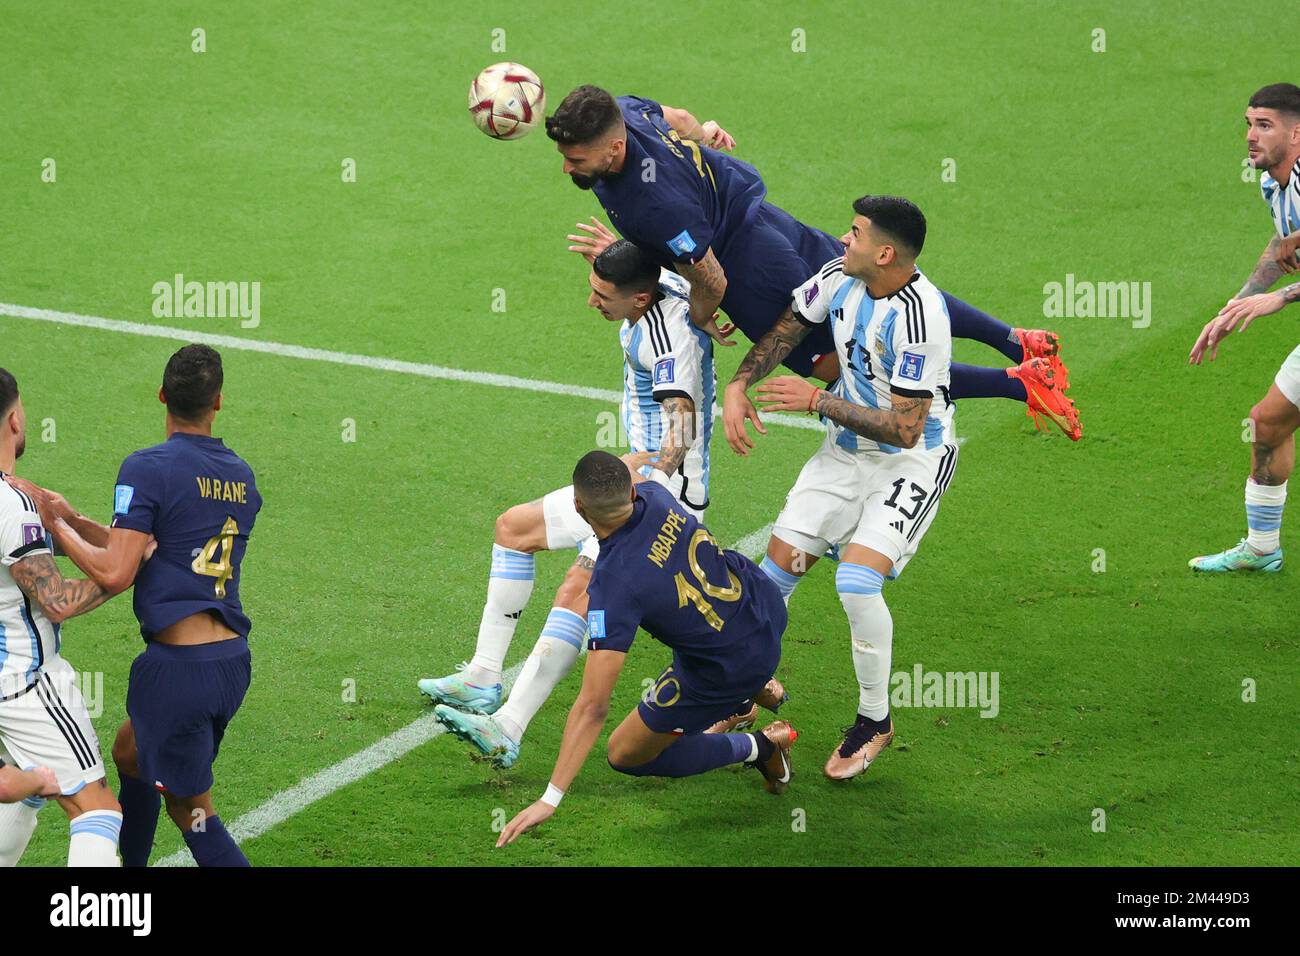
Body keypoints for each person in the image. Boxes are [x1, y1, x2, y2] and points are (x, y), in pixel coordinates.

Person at [547, 85, 1079, 439]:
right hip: (766, 221)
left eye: (576, 159)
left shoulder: (654, 203)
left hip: (750, 269)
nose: (567, 166)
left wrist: (701, 315)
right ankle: (1016, 339)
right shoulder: (624, 110)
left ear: (614, 148)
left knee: (837, 364)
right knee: (882, 284)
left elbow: (710, 275)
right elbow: (683, 119)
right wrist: (707, 137)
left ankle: (1021, 381)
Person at [421, 240, 723, 767]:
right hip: (632, 476)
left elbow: (683, 421)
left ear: (639, 298)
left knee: (578, 588)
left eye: (603, 294)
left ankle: (508, 728)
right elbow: (700, 277)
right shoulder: (663, 289)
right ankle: (483, 677)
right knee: (513, 529)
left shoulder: (665, 339)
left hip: (656, 497)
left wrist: (650, 476)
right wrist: (615, 252)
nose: (592, 302)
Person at [724, 196, 958, 780]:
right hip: (844, 454)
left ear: (885, 252)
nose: (843, 240)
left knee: (857, 581)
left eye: (854, 233)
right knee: (775, 571)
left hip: (912, 462)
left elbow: (906, 430)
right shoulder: (840, 274)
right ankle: (745, 687)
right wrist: (740, 383)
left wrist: (817, 400)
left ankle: (874, 721)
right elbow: (790, 326)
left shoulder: (921, 318)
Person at [25, 345, 262, 866]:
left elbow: (117, 570)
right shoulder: (241, 477)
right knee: (130, 753)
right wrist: (72, 518)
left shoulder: (147, 466)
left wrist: (54, 524)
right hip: (228, 663)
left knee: (194, 814)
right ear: (217, 401)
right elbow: (161, 544)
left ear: (161, 395)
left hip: (178, 672)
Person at [496, 450, 793, 847]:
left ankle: (758, 746)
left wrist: (550, 797)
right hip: (762, 603)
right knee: (695, 626)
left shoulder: (612, 585)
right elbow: (635, 483)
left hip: (731, 664)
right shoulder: (656, 494)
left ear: (579, 505)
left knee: (625, 753)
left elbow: (593, 705)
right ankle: (753, 692)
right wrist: (628, 467)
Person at [0, 367, 124, 866]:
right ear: (13, 421)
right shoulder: (11, 509)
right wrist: (122, 575)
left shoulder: (18, 503)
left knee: (25, 785)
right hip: (23, 682)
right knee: (95, 809)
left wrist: (70, 522)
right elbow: (57, 600)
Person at [1189, 83, 1300, 572]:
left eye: (1265, 125)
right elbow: (1282, 246)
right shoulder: (1272, 183)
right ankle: (1261, 548)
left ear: (1297, 132)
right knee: (1268, 425)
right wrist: (1240, 301)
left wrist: (1281, 298)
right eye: (1248, 124)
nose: (1251, 137)